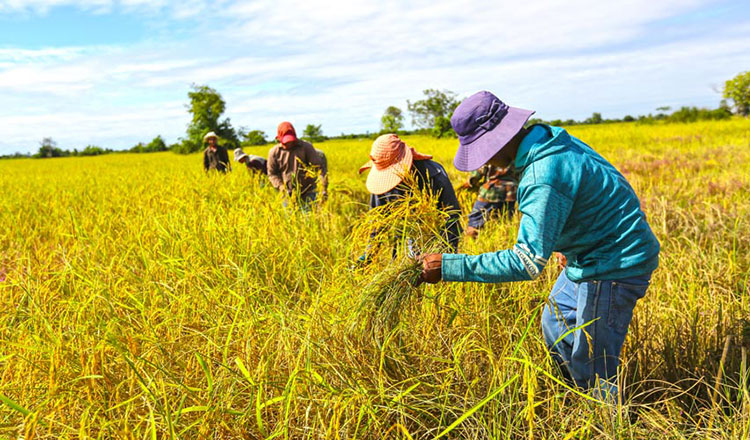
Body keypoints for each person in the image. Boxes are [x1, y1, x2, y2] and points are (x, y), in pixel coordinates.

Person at [418, 91, 660, 400]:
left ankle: (607, 421)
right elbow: (595, 187)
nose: (487, 161)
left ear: (500, 140)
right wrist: (565, 239)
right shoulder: (548, 138)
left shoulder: (542, 173)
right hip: (585, 255)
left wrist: (449, 266)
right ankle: (576, 397)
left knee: (594, 361)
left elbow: (526, 262)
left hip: (613, 263)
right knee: (556, 326)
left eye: (485, 151)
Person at [358, 133, 462, 261]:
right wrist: (369, 253)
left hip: (437, 240)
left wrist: (445, 257)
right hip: (404, 242)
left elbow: (452, 215)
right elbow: (377, 221)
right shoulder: (382, 184)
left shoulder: (433, 174)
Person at [267, 122, 326, 209]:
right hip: (286, 194)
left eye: (291, 141)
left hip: (308, 192)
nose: (289, 144)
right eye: (286, 142)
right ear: (279, 139)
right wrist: (281, 186)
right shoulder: (274, 152)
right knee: (291, 219)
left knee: (308, 218)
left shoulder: (306, 147)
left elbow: (318, 168)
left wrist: (323, 188)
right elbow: (272, 174)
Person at [461, 163, 519, 238]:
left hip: (491, 191)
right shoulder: (516, 151)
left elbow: (480, 170)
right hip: (511, 193)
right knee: (505, 223)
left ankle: (471, 245)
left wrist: (470, 181)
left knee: (474, 222)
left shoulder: (489, 152)